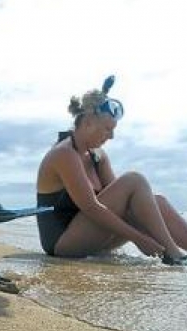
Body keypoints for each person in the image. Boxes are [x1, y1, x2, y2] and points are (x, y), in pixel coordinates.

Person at [36, 76, 187, 265]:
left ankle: (177, 252)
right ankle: (175, 256)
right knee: (134, 179)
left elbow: (125, 203)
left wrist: (148, 226)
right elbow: (91, 208)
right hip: (62, 244)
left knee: (158, 201)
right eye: (107, 129)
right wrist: (140, 239)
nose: (112, 136)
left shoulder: (98, 156)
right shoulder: (64, 154)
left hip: (91, 235)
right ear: (88, 122)